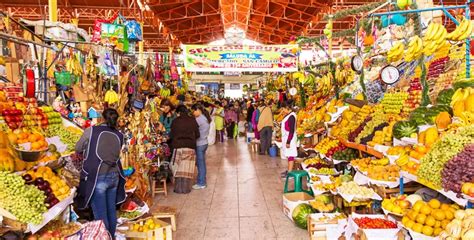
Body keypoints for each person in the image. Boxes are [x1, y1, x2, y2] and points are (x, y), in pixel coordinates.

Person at [75, 108, 125, 237]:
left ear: (102, 118)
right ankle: (111, 236)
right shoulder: (119, 135)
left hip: (98, 176)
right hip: (114, 176)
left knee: (101, 214)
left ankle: (105, 237)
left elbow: (78, 148)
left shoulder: (91, 131)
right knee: (110, 211)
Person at [170, 105, 200, 194]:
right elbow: (198, 134)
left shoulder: (175, 121)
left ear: (178, 113)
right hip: (190, 147)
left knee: (178, 169)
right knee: (187, 169)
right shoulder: (192, 120)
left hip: (178, 147)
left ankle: (178, 189)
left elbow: (172, 135)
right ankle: (186, 189)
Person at [191, 103, 211, 189]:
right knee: (201, 163)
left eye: (194, 111)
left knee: (200, 164)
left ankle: (201, 183)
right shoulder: (204, 117)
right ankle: (201, 180)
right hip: (204, 142)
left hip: (199, 144)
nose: (193, 113)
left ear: (198, 110)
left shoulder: (199, 119)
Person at [279, 103, 297, 178]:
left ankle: (290, 173)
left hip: (290, 138)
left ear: (287, 108)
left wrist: (288, 141)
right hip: (286, 137)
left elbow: (291, 130)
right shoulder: (289, 115)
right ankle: (289, 170)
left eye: (283, 109)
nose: (282, 110)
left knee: (291, 155)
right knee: (288, 155)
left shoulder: (292, 116)